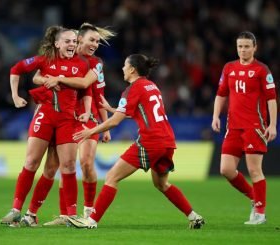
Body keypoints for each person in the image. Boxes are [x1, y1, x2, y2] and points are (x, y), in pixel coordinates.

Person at [65, 54, 205, 229]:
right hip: (167, 141)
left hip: (150, 140)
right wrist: (114, 109)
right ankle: (194, 216)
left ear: (132, 69)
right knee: (161, 184)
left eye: (125, 65)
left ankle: (91, 221)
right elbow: (144, 111)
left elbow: (115, 121)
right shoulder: (152, 86)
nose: (123, 69)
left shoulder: (132, 89)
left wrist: (91, 131)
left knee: (111, 177)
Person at [0, 26, 92, 227]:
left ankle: (69, 215)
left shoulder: (82, 64)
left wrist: (86, 110)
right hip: (45, 116)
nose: (72, 45)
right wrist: (15, 96)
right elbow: (16, 69)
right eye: (67, 41)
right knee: (32, 162)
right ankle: (16, 210)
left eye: (74, 42)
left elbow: (86, 89)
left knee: (65, 166)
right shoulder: (44, 60)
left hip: (68, 120)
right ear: (57, 43)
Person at [33, 23, 116, 226]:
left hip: (89, 117)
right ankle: (57, 214)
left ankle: (88, 211)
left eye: (97, 41)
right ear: (79, 40)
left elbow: (97, 93)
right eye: (92, 40)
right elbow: (41, 81)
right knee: (57, 166)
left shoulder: (96, 63)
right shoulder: (61, 57)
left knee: (87, 163)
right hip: (64, 116)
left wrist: (106, 126)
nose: (95, 44)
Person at [211, 31, 277, 225]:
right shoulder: (229, 68)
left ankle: (260, 213)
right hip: (233, 127)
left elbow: (272, 99)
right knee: (226, 169)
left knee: (254, 170)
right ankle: (253, 197)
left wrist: (272, 124)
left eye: (247, 46)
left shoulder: (262, 70)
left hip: (254, 127)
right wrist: (216, 115)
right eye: (240, 46)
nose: (243, 50)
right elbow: (221, 94)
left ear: (255, 48)